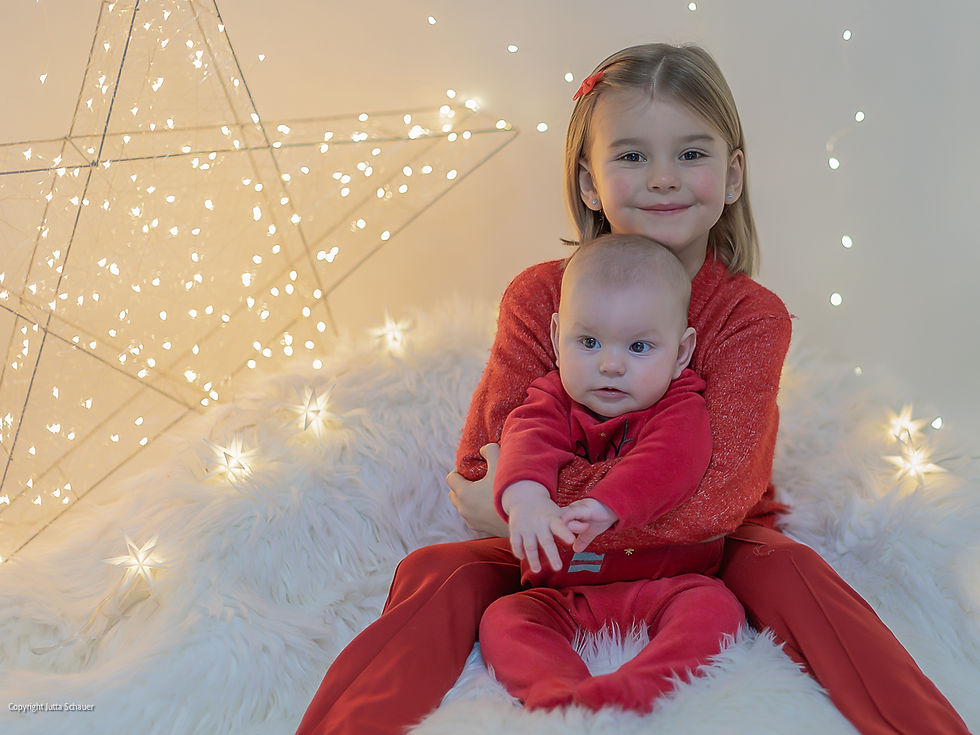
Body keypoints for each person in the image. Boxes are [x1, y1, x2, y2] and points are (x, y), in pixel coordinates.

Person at [295, 43, 970, 735]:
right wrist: (531, 510)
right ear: (589, 183)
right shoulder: (540, 296)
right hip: (546, 548)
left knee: (794, 570)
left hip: (708, 551)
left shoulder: (748, 315)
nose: (663, 178)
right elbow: (479, 469)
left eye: (691, 153)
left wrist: (540, 502)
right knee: (439, 569)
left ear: (733, 175)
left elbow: (719, 498)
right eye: (632, 155)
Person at [480, 233, 745, 712]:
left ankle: (641, 688)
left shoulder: (679, 405)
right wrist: (526, 499)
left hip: (667, 583)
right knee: (503, 619)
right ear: (557, 338)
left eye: (639, 346)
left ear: (680, 353)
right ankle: (561, 697)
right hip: (564, 592)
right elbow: (525, 441)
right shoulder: (551, 400)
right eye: (588, 342)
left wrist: (606, 504)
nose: (610, 365)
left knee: (716, 609)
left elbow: (671, 461)